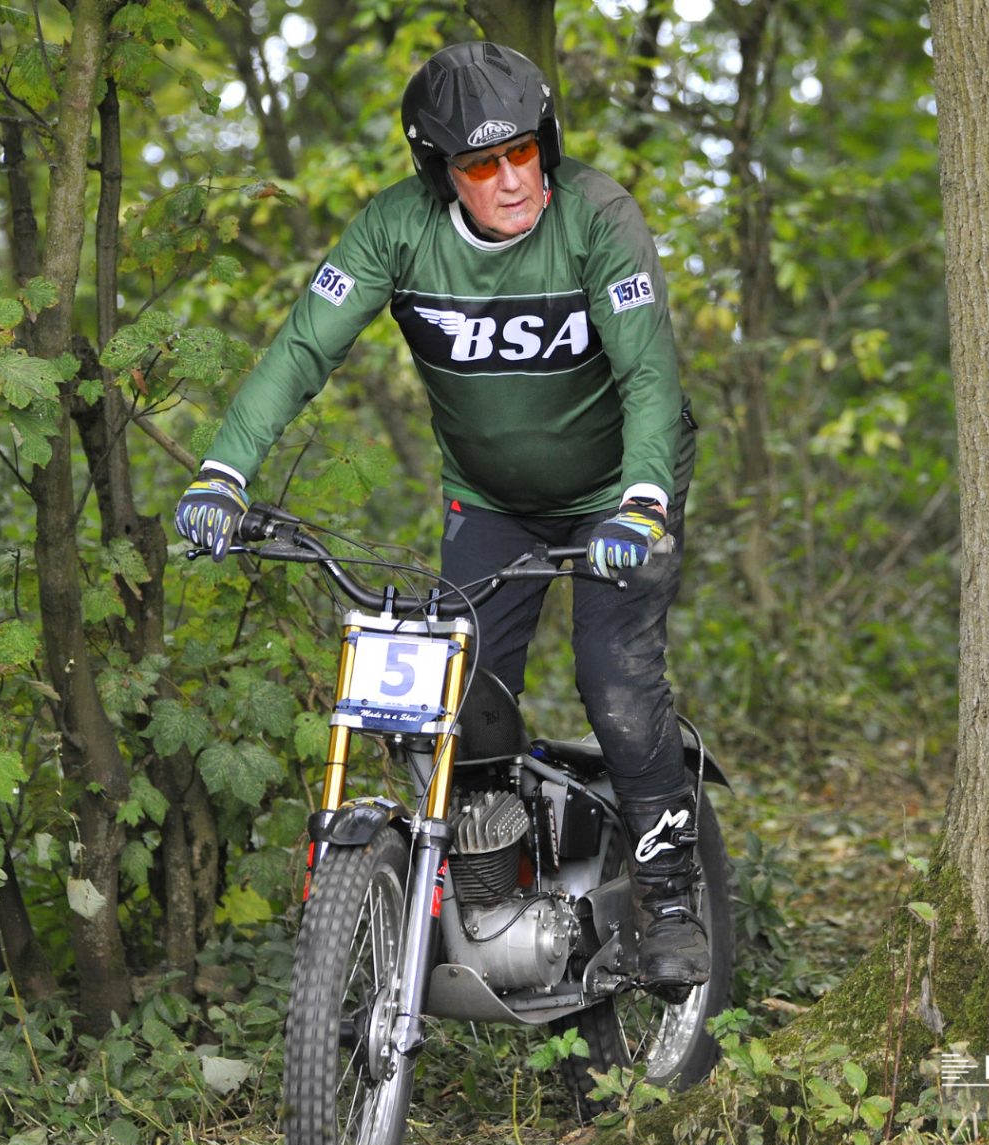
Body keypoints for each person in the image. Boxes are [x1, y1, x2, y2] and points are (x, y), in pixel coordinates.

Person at [174, 41, 706, 992]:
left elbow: (648, 374)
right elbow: (302, 350)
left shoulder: (596, 215)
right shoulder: (397, 229)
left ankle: (667, 896)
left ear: (547, 142)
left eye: (524, 152)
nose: (512, 180)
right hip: (490, 500)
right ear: (438, 171)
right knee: (460, 707)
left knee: (615, 682)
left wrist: (643, 502)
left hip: (616, 495)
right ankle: (498, 888)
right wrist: (223, 473)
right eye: (481, 164)